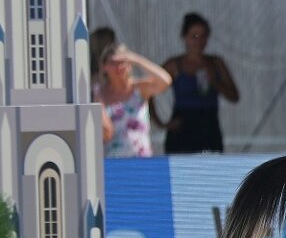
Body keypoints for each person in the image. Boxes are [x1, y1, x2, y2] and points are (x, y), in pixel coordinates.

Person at [160, 12, 240, 153]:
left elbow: (234, 96)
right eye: (194, 36)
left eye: (203, 36)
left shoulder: (215, 63)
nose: (199, 41)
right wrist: (161, 123)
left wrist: (215, 81)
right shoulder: (174, 65)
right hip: (182, 130)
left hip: (209, 127)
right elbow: (148, 93)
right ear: (185, 37)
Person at [92, 40, 173, 158]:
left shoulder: (139, 89)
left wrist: (136, 59)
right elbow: (105, 131)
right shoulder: (100, 93)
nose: (119, 67)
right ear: (104, 67)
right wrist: (98, 95)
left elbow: (165, 81)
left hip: (141, 159)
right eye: (113, 63)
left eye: (123, 62)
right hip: (112, 161)